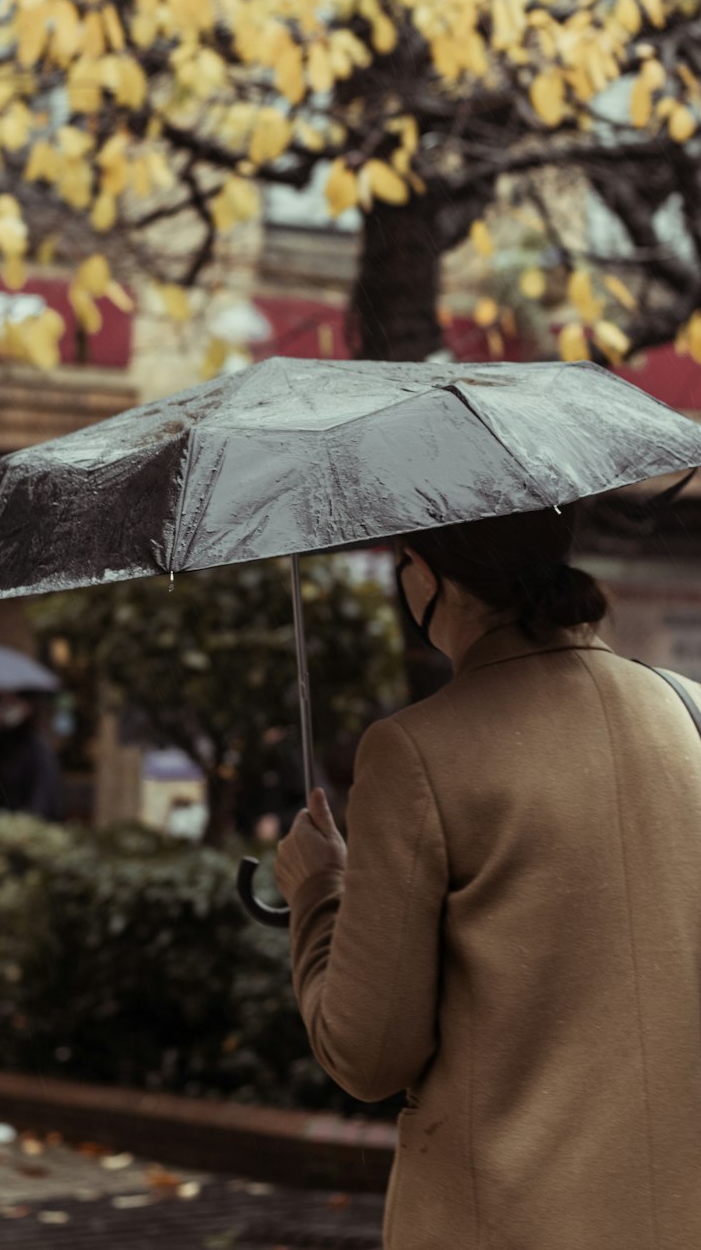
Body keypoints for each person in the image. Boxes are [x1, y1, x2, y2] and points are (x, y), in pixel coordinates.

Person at [275, 503, 701, 1250]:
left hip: (509, 1220)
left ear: (428, 578)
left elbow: (369, 1052)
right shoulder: (689, 711)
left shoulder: (415, 753)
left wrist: (317, 893)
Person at [0, 693, 63, 819]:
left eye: (12, 701)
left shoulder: (38, 749)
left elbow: (43, 797)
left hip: (27, 830)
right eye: (1, 701)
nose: (5, 706)